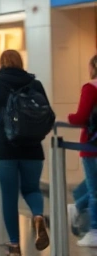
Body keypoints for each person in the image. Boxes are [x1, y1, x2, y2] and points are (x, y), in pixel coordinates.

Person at [0, 49, 50, 255]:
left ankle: (15, 245)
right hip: (33, 148)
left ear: (1, 64)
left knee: (9, 196)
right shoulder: (35, 84)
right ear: (20, 62)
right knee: (32, 189)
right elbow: (46, 113)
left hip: (5, 148)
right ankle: (37, 216)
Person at [67, 55, 97, 246]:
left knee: (95, 191)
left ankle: (93, 230)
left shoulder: (90, 88)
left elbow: (79, 117)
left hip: (91, 146)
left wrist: (69, 117)